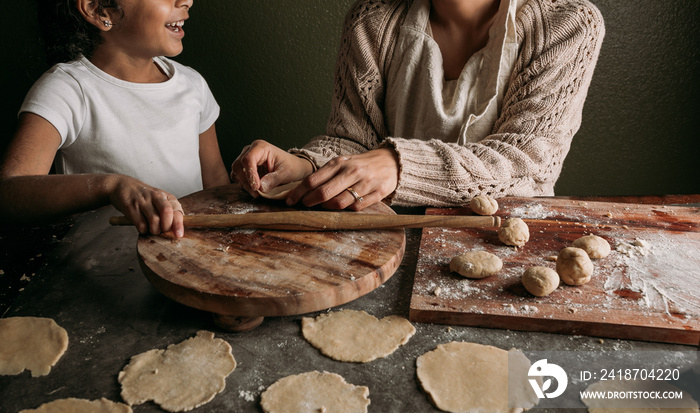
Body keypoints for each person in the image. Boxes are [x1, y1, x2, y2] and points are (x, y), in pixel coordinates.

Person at [231, 0, 604, 211]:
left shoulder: (567, 24)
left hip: (506, 249)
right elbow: (353, 142)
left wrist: (398, 164)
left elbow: (525, 163)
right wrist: (305, 166)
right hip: (387, 242)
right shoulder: (371, 21)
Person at [0, 0, 230, 238]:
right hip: (104, 271)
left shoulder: (192, 84)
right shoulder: (69, 89)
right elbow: (9, 193)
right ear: (99, 10)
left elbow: (216, 182)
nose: (187, 1)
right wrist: (112, 186)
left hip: (187, 263)